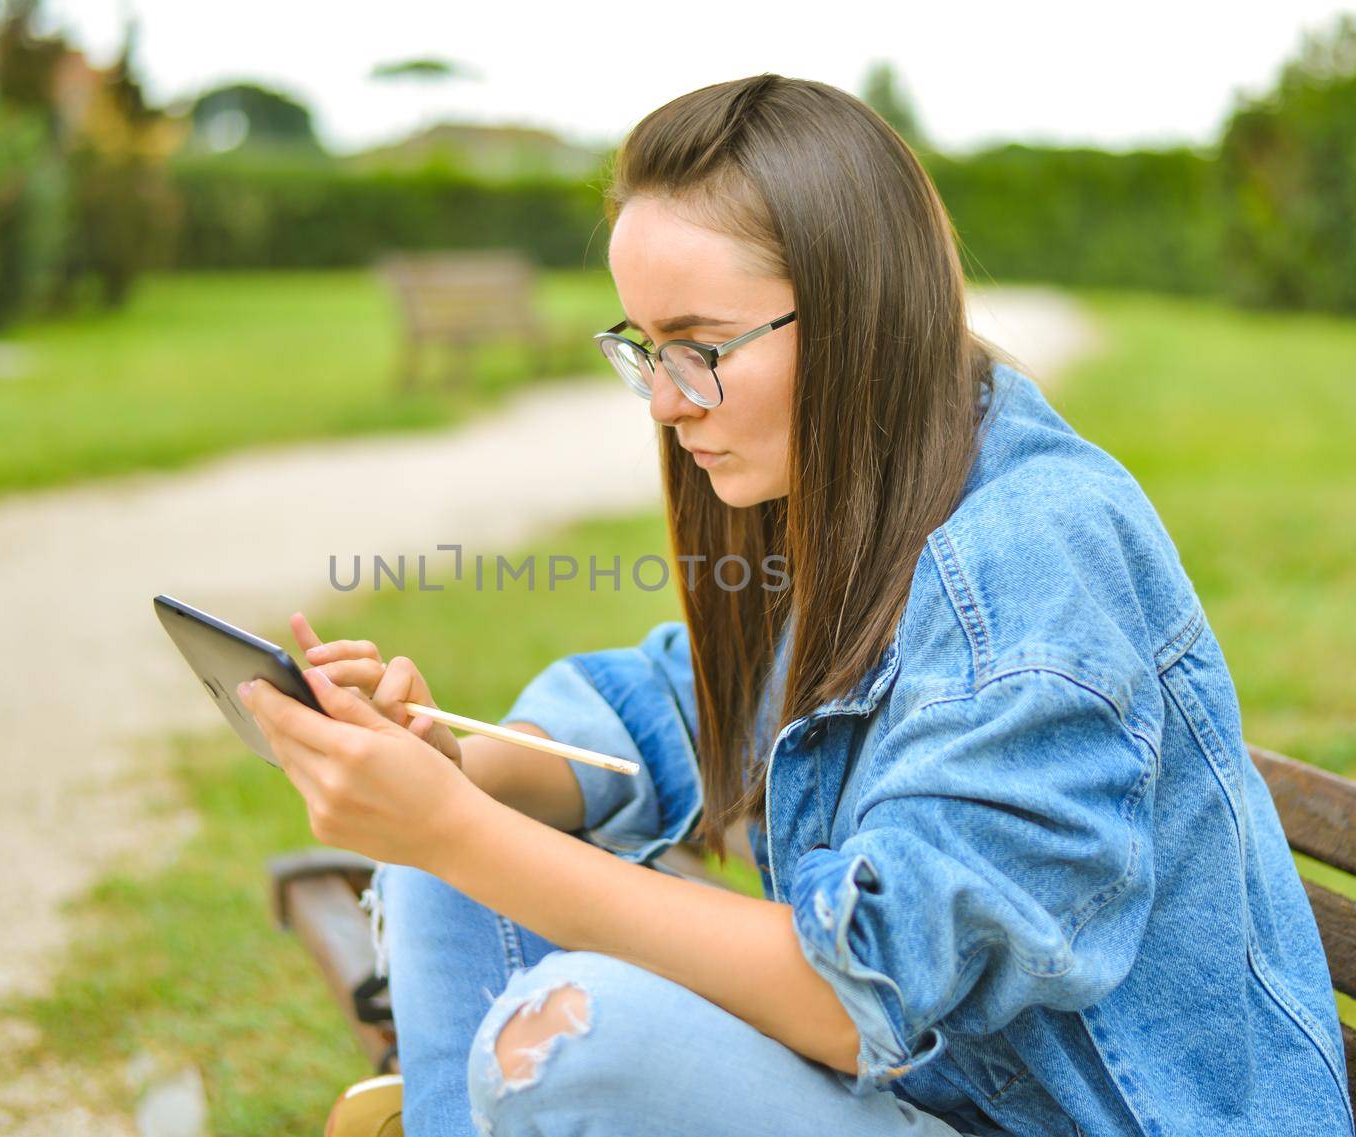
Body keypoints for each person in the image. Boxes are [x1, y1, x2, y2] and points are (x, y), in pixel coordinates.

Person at [239, 74, 1354, 1137]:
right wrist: (450, 768)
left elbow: (854, 987)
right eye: (643, 349)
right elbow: (678, 705)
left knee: (575, 1037)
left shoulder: (1035, 551)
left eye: (701, 349)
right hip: (931, 1099)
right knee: (443, 880)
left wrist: (456, 829)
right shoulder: (864, 488)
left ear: (857, 312)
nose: (668, 405)